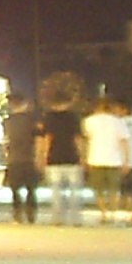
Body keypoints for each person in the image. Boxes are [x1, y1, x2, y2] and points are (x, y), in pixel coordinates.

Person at [39, 90, 91, 227]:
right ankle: (76, 219)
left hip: (54, 157)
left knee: (56, 190)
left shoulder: (48, 118)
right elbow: (77, 139)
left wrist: (44, 156)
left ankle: (57, 218)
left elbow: (47, 139)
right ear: (69, 102)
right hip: (72, 156)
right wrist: (83, 156)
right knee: (75, 190)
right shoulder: (74, 117)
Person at [81, 97, 129, 224]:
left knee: (98, 189)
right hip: (115, 159)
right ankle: (113, 214)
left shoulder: (89, 121)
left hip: (95, 158)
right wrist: (125, 160)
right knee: (114, 189)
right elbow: (123, 142)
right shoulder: (119, 122)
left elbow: (85, 141)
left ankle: (103, 213)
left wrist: (84, 157)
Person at [3, 96, 42, 224]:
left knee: (15, 189)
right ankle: (31, 214)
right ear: (25, 103)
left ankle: (17, 213)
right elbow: (38, 139)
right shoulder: (32, 120)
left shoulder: (7, 121)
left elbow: (6, 140)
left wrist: (6, 155)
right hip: (29, 157)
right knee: (31, 189)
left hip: (14, 158)